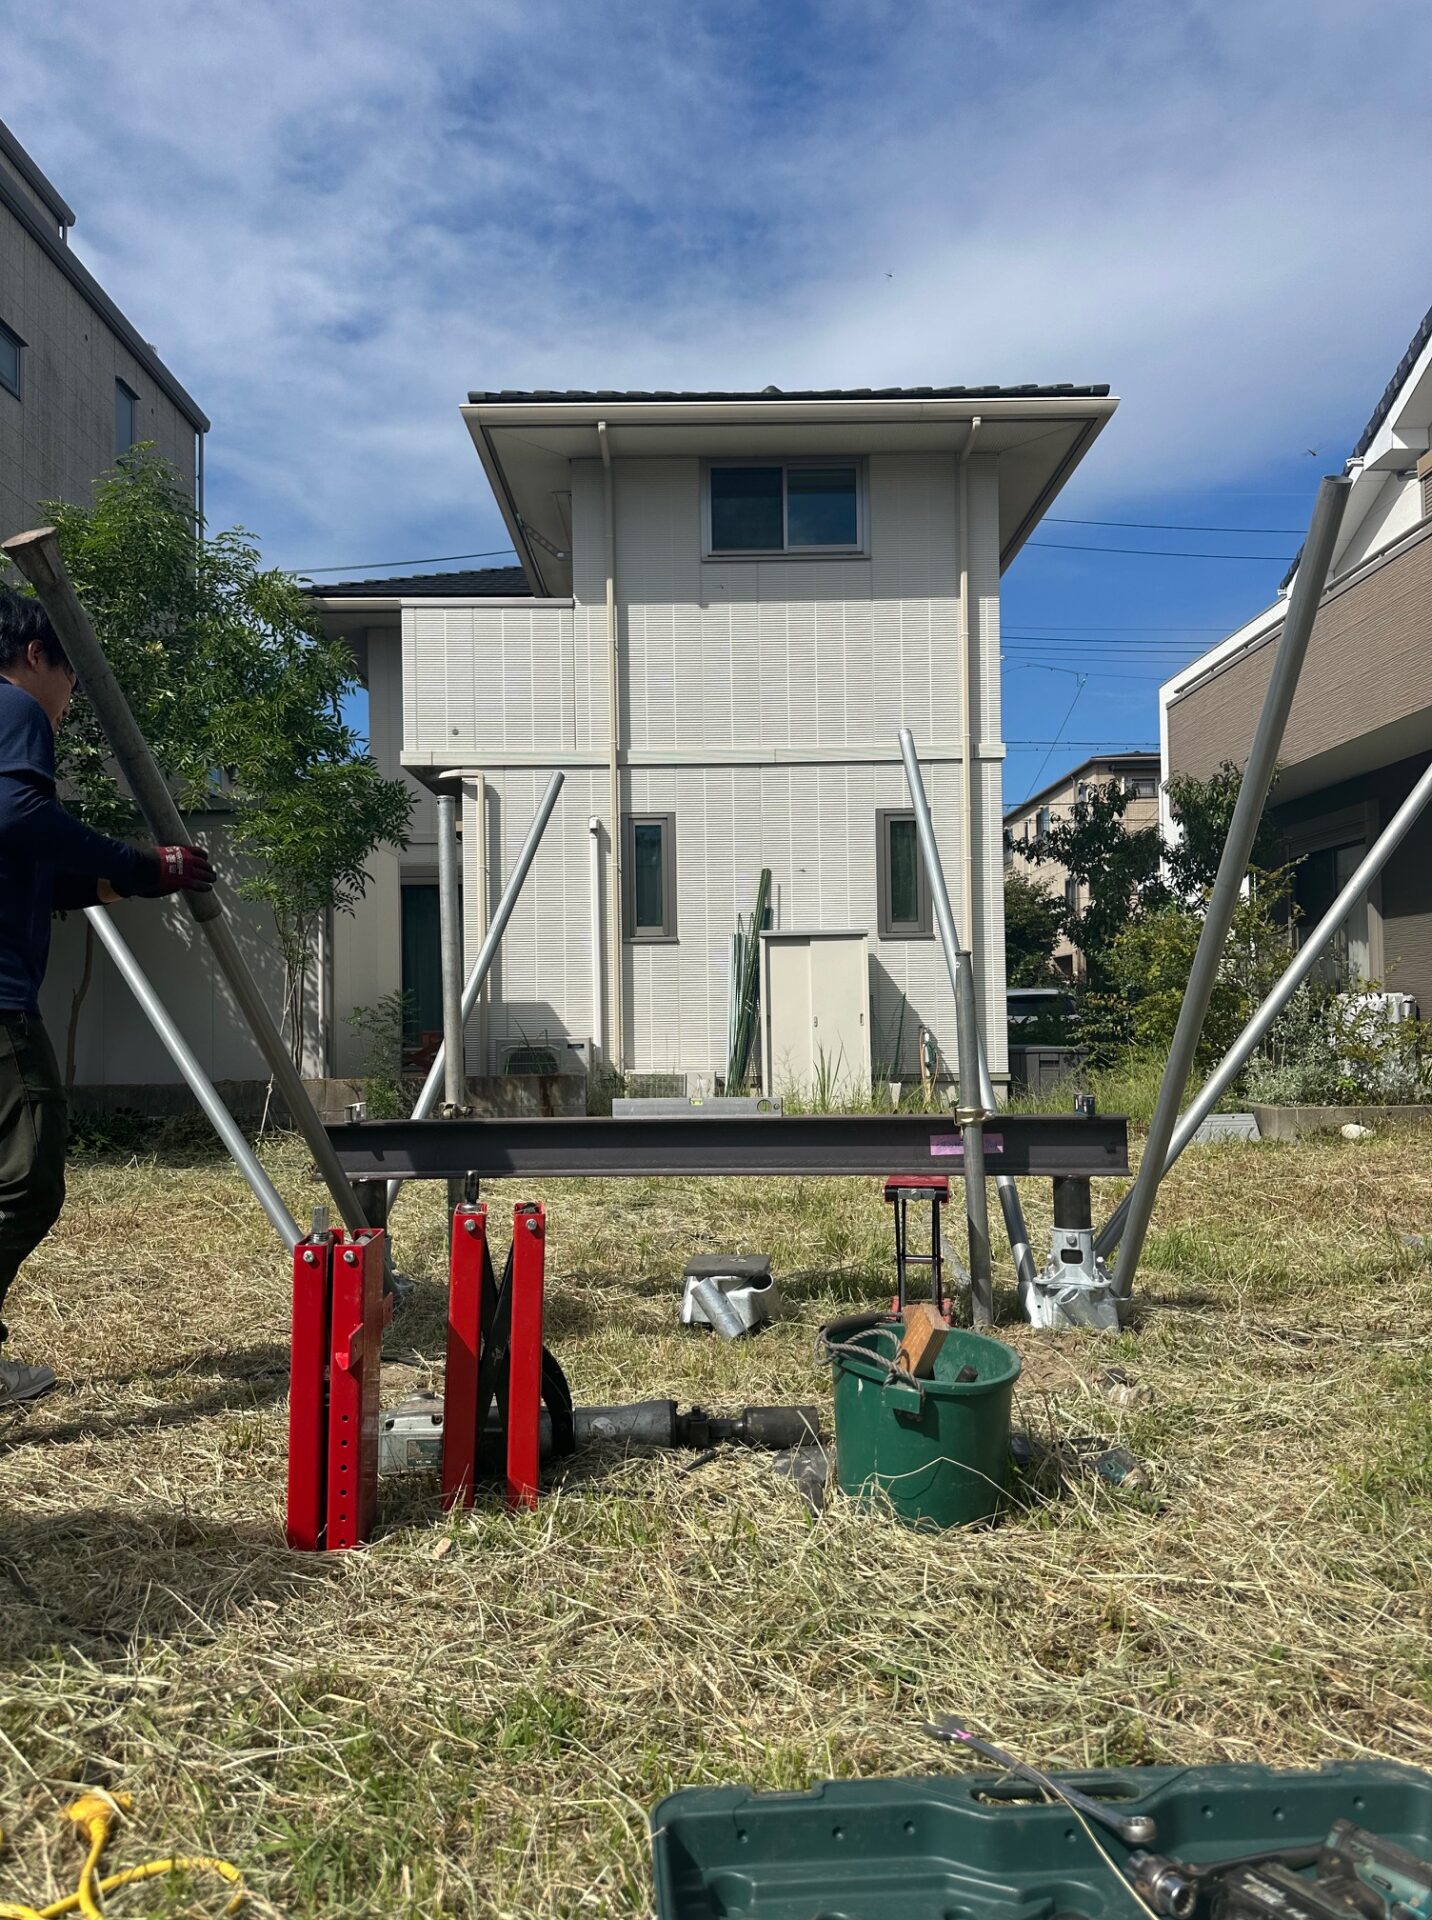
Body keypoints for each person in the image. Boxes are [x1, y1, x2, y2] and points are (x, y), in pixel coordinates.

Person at [0, 585, 216, 1406]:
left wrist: (118, 882)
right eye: (68, 677)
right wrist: (140, 861)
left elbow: (27, 867)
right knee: (28, 1180)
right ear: (35, 655)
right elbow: (16, 813)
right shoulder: (14, 707)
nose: (68, 699)